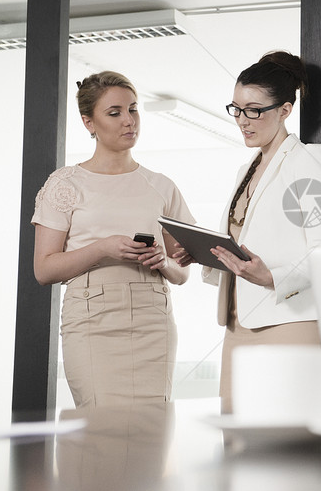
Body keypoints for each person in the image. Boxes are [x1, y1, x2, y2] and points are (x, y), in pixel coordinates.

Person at [173, 51, 321, 414]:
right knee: (237, 444)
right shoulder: (246, 169)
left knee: (285, 447)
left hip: (288, 323)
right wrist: (204, 252)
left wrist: (272, 276)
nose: (243, 121)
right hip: (237, 324)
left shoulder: (307, 160)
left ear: (284, 110)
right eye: (236, 109)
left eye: (254, 110)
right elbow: (245, 243)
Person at [32, 70, 196, 408]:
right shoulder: (65, 184)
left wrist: (163, 262)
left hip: (154, 318)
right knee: (100, 428)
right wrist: (103, 247)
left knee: (151, 429)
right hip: (91, 319)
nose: (129, 121)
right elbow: (44, 269)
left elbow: (183, 272)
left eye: (133, 110)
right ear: (88, 123)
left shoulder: (161, 185)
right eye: (115, 113)